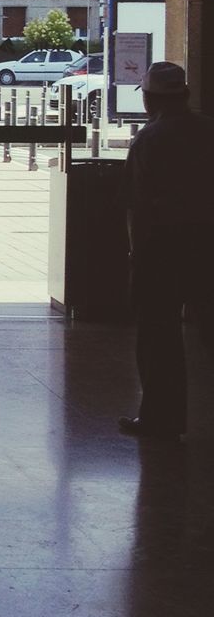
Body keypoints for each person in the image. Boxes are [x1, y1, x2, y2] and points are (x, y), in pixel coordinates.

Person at [119, 60, 214, 442]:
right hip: (207, 242)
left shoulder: (150, 139)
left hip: (162, 247)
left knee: (159, 336)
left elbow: (136, 204)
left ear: (150, 100)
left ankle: (162, 420)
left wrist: (134, 252)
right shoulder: (209, 130)